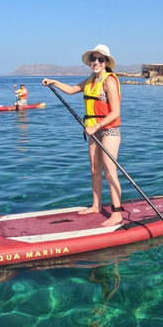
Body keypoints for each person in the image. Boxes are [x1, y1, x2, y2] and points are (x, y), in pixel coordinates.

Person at [43, 44, 123, 227]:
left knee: (110, 173)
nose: (96, 62)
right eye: (93, 59)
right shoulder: (91, 80)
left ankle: (116, 213)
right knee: (95, 170)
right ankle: (96, 206)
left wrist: (97, 126)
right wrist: (54, 82)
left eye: (100, 59)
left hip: (108, 130)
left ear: (106, 62)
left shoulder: (109, 81)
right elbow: (71, 90)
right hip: (93, 130)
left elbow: (115, 112)